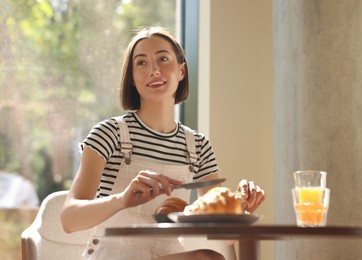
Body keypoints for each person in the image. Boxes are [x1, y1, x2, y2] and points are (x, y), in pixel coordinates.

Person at [60, 26, 266, 260]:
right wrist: (121, 199)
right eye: (141, 63)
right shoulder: (109, 134)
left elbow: (224, 236)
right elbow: (69, 219)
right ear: (132, 80)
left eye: (163, 59)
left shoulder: (198, 147)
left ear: (181, 71)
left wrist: (242, 206)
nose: (154, 70)